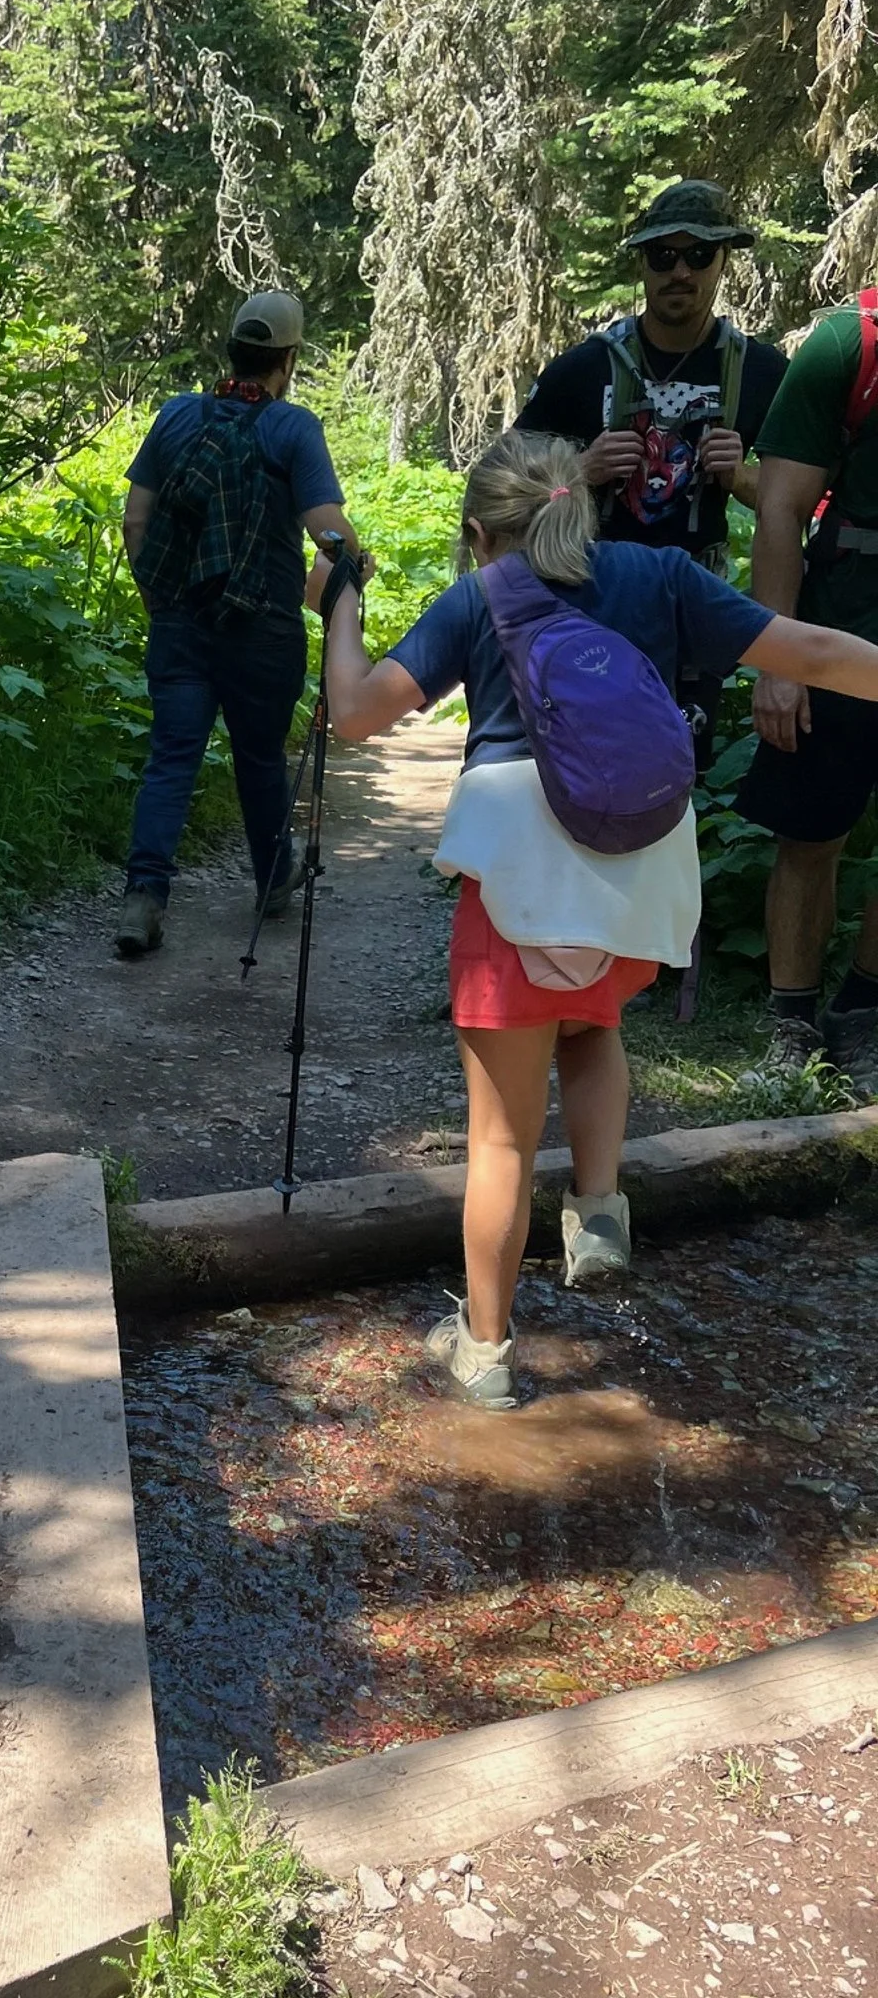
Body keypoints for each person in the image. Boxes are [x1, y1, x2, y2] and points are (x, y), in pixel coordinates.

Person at [309, 429, 878, 1410]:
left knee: (498, 1143)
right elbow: (818, 651)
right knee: (594, 1023)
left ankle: (485, 1353)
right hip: (635, 880)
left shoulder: (478, 595)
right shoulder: (660, 577)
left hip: (518, 885)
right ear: (587, 503)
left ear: (479, 534)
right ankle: (600, 1210)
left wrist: (340, 606)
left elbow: (355, 714)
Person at [114, 290, 362, 960]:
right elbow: (327, 532)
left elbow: (136, 519)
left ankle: (144, 896)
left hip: (180, 624)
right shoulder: (293, 429)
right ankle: (272, 878)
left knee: (172, 758)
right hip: (263, 630)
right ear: (288, 358)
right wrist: (354, 567)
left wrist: (158, 599)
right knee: (258, 758)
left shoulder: (174, 418)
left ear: (232, 349)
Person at [516, 180, 785, 766]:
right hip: (585, 608)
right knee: (573, 776)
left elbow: (806, 506)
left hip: (694, 622)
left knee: (673, 782)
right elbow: (498, 491)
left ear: (723, 260)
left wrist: (740, 479)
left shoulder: (762, 373)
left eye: (698, 255)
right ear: (642, 263)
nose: (679, 272)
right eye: (663, 256)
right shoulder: (582, 370)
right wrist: (578, 470)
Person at [739, 293, 878, 1088]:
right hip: (839, 630)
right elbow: (782, 508)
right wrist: (779, 659)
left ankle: (862, 1011)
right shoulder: (845, 345)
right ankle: (790, 1022)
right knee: (811, 835)